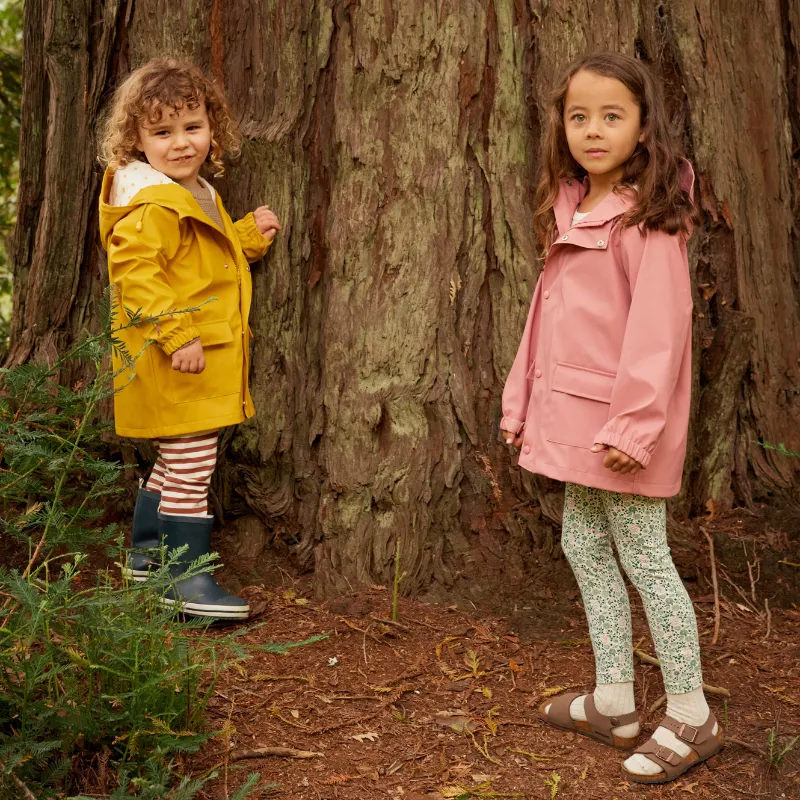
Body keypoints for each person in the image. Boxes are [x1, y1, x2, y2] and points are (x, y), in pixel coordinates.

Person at [500, 53, 724, 783]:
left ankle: (692, 712)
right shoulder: (573, 205)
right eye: (578, 116)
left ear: (643, 127)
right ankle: (615, 700)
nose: (593, 130)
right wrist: (521, 405)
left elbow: (659, 332)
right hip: (571, 420)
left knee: (645, 559)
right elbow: (547, 322)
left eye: (612, 116)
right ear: (560, 127)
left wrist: (632, 428)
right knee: (584, 548)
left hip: (622, 432)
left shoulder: (647, 219)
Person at [98, 58, 280, 622]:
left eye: (192, 127)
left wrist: (245, 236)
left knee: (175, 462)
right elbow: (136, 275)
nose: (182, 143)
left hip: (191, 358)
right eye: (162, 132)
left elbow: (202, 257)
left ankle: (147, 558)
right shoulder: (149, 203)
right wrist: (176, 334)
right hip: (176, 358)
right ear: (136, 140)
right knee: (192, 465)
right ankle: (184, 578)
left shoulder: (193, 190)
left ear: (212, 127)